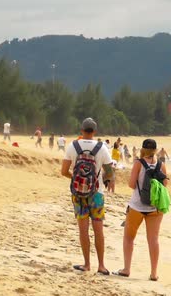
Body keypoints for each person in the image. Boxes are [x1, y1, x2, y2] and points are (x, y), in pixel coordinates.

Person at [61, 118, 114, 276]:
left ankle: (86, 264)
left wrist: (78, 180)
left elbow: (63, 171)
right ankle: (102, 266)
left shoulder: (73, 146)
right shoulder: (102, 148)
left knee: (83, 230)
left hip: (78, 194)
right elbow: (109, 173)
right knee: (98, 230)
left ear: (81, 130)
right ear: (95, 131)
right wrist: (103, 180)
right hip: (97, 194)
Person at [114, 138, 168, 281]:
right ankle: (154, 273)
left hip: (137, 205)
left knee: (129, 237)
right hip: (155, 208)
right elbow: (165, 185)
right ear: (155, 150)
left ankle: (126, 269)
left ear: (143, 149)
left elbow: (132, 184)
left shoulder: (138, 163)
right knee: (153, 240)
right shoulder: (161, 165)